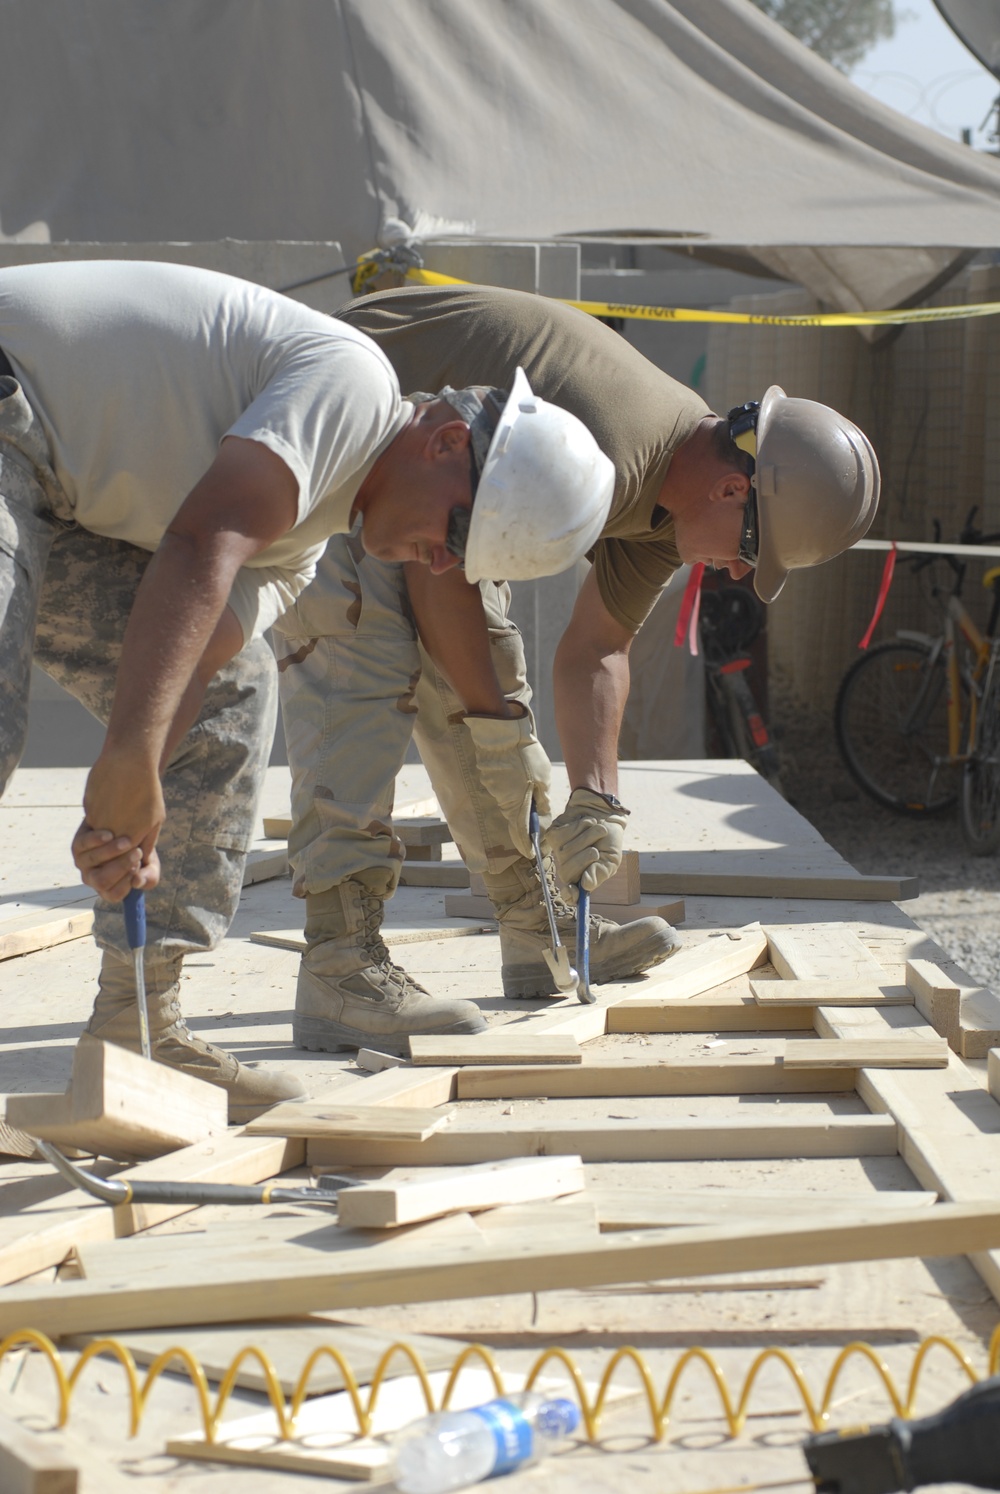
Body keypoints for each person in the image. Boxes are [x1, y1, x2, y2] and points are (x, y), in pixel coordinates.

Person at [0, 261, 614, 1117]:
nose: (439, 563)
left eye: (461, 562)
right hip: (11, 412)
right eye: (455, 532)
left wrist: (123, 808)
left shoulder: (302, 550)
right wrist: (130, 757)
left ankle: (135, 1023)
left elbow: (194, 663)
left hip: (50, 497)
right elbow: (200, 541)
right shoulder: (352, 384)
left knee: (229, 693)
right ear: (442, 442)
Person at [274, 283, 881, 1057]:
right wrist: (496, 727)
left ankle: (539, 925)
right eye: (750, 551)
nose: (735, 572)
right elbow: (439, 575)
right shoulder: (613, 449)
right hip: (326, 418)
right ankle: (339, 963)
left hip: (425, 468)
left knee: (482, 671)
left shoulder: (673, 494)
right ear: (735, 490)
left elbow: (598, 646)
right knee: (365, 648)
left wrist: (597, 797)